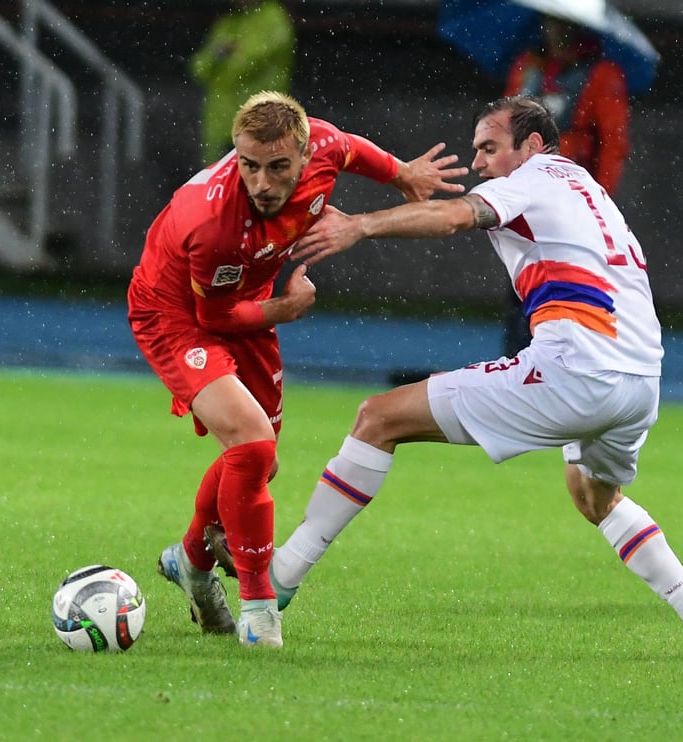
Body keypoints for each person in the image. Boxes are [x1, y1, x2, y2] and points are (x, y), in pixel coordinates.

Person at [217, 95, 683, 659]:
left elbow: (453, 216)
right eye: (475, 151)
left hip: (577, 367)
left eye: (490, 148)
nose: (480, 163)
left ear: (534, 145)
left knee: (378, 418)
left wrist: (359, 226)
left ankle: (280, 578)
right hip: (641, 379)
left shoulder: (534, 178)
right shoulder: (588, 190)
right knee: (594, 495)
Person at [127, 90, 467, 649]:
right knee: (254, 443)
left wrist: (401, 173)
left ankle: (190, 559)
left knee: (259, 461)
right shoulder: (210, 222)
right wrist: (288, 309)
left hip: (250, 301)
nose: (261, 183)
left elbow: (352, 148)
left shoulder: (324, 145)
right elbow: (215, 314)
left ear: (305, 157)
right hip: (178, 315)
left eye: (277, 166)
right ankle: (259, 609)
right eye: (249, 166)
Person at [501, 14, 630, 356]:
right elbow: (501, 132)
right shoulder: (527, 67)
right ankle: (520, 374)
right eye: (550, 21)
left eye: (562, 22)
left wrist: (597, 203)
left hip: (570, 209)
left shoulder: (601, 75)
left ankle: (559, 373)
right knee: (522, 295)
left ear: (578, 26)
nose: (554, 29)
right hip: (523, 206)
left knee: (564, 299)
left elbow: (613, 145)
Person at [189, 0, 295, 164]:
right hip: (219, 126)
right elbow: (198, 69)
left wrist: (220, 63)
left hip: (259, 126)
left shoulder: (273, 18)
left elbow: (250, 62)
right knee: (217, 187)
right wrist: (222, 55)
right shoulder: (228, 23)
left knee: (257, 184)